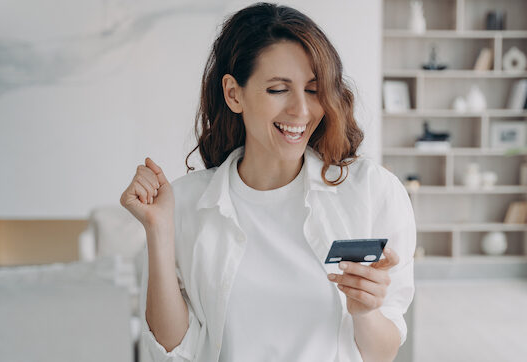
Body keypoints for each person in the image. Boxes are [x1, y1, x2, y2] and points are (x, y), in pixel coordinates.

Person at [120, 3, 416, 362]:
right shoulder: (183, 203)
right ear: (234, 94)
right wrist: (158, 232)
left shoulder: (372, 191)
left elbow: (383, 354)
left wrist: (365, 311)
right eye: (278, 89)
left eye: (313, 89)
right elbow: (171, 351)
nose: (301, 110)